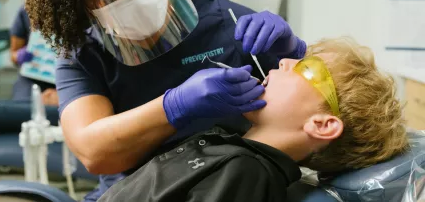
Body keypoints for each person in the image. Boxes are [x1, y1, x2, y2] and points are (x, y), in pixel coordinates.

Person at [20, 0, 306, 200]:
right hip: (137, 193)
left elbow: (320, 102)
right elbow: (94, 152)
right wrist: (176, 106)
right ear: (80, 5)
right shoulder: (84, 57)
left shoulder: (225, 19)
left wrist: (295, 52)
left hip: (227, 184)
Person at [97, 37, 410, 202]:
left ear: (322, 125)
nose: (286, 61)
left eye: (307, 69)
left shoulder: (247, 173)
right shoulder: (234, 147)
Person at [10, 5, 59, 106]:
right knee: (22, 109)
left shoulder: (78, 8)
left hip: (67, 78)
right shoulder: (25, 11)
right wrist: (19, 56)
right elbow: (13, 54)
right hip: (31, 77)